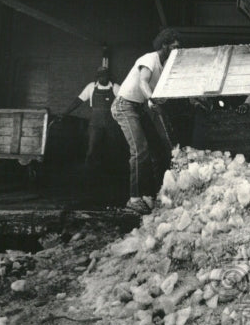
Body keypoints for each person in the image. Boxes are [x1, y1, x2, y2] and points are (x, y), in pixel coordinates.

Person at [111, 28, 179, 214]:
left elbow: (155, 92)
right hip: (124, 106)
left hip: (138, 108)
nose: (177, 47)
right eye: (173, 44)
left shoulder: (164, 67)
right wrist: (152, 98)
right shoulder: (150, 59)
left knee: (157, 150)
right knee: (139, 150)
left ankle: (149, 194)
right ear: (164, 45)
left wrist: (157, 101)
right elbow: (143, 82)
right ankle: (134, 198)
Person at [59, 66, 123, 203]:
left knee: (114, 151)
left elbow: (125, 101)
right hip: (96, 124)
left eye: (105, 76)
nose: (103, 78)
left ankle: (115, 184)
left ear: (108, 76)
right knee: (92, 151)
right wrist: (65, 113)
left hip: (112, 124)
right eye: (100, 76)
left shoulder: (116, 88)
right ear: (97, 77)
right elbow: (78, 101)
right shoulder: (91, 87)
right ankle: (88, 182)